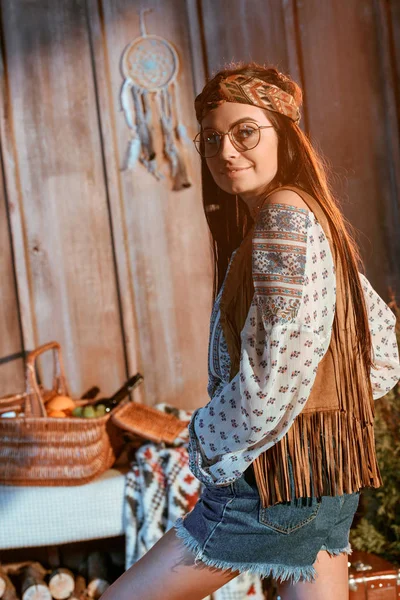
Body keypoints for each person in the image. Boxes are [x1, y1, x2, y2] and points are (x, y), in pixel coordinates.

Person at [101, 63, 400, 600]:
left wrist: (205, 440)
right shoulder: (309, 214)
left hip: (273, 484)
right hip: (324, 477)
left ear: (284, 137)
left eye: (245, 132)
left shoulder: (283, 220)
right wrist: (324, 422)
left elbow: (274, 375)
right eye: (212, 138)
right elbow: (381, 350)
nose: (226, 151)